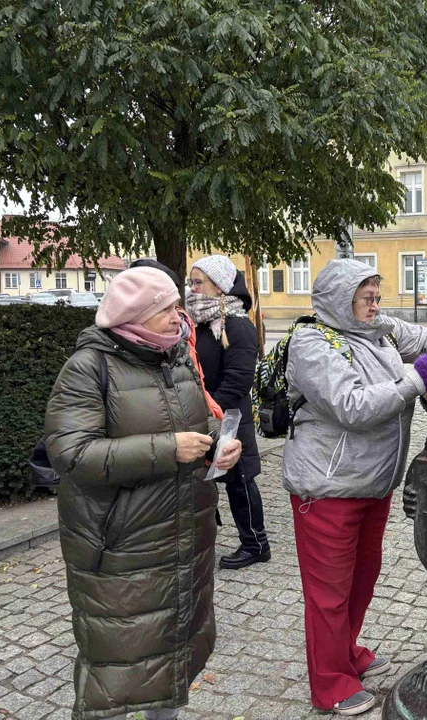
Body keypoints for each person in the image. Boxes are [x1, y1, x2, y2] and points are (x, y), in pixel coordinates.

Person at [44, 266, 243, 720]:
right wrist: (166, 449)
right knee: (117, 665)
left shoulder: (174, 359)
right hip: (122, 548)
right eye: (168, 309)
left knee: (172, 658)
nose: (180, 316)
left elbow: (191, 424)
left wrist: (217, 443)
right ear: (138, 314)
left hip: (182, 539)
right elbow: (70, 453)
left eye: (178, 306)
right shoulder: (89, 367)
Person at [282, 259, 427, 716]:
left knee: (361, 580)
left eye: (378, 295)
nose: (376, 304)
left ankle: (346, 652)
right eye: (367, 297)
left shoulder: (379, 329)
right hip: (328, 487)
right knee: (328, 591)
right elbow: (351, 406)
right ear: (342, 299)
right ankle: (330, 683)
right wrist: (419, 378)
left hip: (373, 484)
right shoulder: (312, 342)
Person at [188, 255, 270, 569]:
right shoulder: (200, 323)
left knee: (240, 480)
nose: (192, 288)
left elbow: (238, 381)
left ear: (220, 288)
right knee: (209, 479)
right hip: (207, 416)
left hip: (231, 418)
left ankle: (256, 544)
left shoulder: (238, 327)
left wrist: (207, 409)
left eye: (198, 282)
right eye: (191, 281)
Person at [130, 257, 223, 419]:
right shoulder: (100, 360)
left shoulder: (184, 332)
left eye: (175, 305)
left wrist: (213, 421)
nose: (177, 318)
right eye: (164, 308)